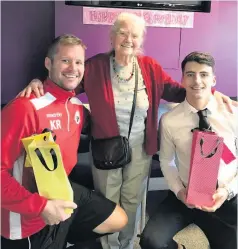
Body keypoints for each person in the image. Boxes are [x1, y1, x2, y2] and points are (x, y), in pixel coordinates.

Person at [18, 14, 237, 249]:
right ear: (112, 37)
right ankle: (109, 246)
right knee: (109, 201)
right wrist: (39, 83)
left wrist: (212, 93)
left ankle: (128, 243)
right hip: (106, 147)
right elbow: (67, 83)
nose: (128, 39)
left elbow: (179, 91)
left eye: (134, 35)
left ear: (141, 40)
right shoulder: (95, 66)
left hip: (141, 147)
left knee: (133, 201)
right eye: (122, 32)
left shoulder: (149, 67)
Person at [1, 34, 128, 249]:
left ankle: (62, 231)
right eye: (65, 61)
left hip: (61, 191)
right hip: (27, 217)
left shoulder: (77, 106)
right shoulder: (24, 108)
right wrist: (42, 207)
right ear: (48, 63)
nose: (73, 68)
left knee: (119, 219)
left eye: (78, 62)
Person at [140, 52, 237, 249]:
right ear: (183, 79)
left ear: (213, 79)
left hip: (225, 197)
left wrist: (226, 191)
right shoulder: (170, 120)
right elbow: (166, 161)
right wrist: (179, 192)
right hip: (185, 195)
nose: (197, 80)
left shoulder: (232, 115)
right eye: (190, 74)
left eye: (204, 74)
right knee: (151, 241)